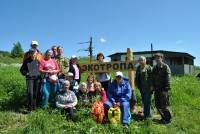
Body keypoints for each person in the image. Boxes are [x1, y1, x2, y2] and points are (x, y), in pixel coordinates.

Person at [152, 53, 172, 124]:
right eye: (156, 58)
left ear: (162, 58)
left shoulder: (165, 67)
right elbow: (152, 78)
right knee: (157, 105)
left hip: (163, 90)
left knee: (165, 106)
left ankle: (168, 119)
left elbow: (168, 79)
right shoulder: (154, 68)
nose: (157, 59)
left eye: (158, 58)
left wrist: (166, 89)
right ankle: (163, 118)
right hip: (157, 90)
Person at [20, 48, 41, 112]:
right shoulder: (26, 61)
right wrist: (27, 73)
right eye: (31, 52)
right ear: (30, 53)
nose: (33, 54)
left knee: (35, 94)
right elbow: (21, 70)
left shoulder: (38, 62)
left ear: (36, 53)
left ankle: (34, 108)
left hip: (37, 79)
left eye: (34, 52)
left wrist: (40, 77)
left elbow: (41, 70)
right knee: (30, 93)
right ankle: (29, 109)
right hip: (29, 79)